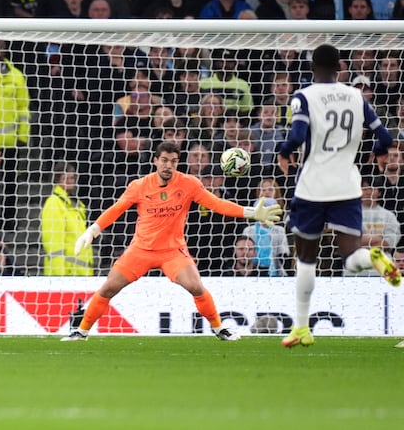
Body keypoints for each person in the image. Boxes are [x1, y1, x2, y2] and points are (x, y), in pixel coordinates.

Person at [62, 141, 282, 341]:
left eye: (174, 161)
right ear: (155, 161)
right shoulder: (139, 186)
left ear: (178, 163)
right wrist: (93, 230)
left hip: (173, 251)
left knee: (196, 286)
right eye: (165, 160)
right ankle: (81, 331)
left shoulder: (189, 184)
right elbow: (116, 209)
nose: (168, 165)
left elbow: (216, 204)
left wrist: (251, 212)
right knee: (109, 288)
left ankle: (218, 328)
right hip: (141, 250)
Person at [277, 44, 401, 348]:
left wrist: (283, 153)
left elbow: (295, 136)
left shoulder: (303, 96)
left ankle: (302, 328)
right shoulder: (356, 96)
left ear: (312, 67)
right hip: (347, 185)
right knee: (349, 257)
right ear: (340, 68)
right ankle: (374, 257)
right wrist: (379, 151)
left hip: (312, 187)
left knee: (306, 259)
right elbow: (384, 135)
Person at [41, 162, 94, 276]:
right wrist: (59, 275)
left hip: (81, 271)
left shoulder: (75, 204)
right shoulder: (54, 203)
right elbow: (54, 242)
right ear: (57, 180)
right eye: (65, 178)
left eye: (72, 177)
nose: (70, 181)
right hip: (67, 273)